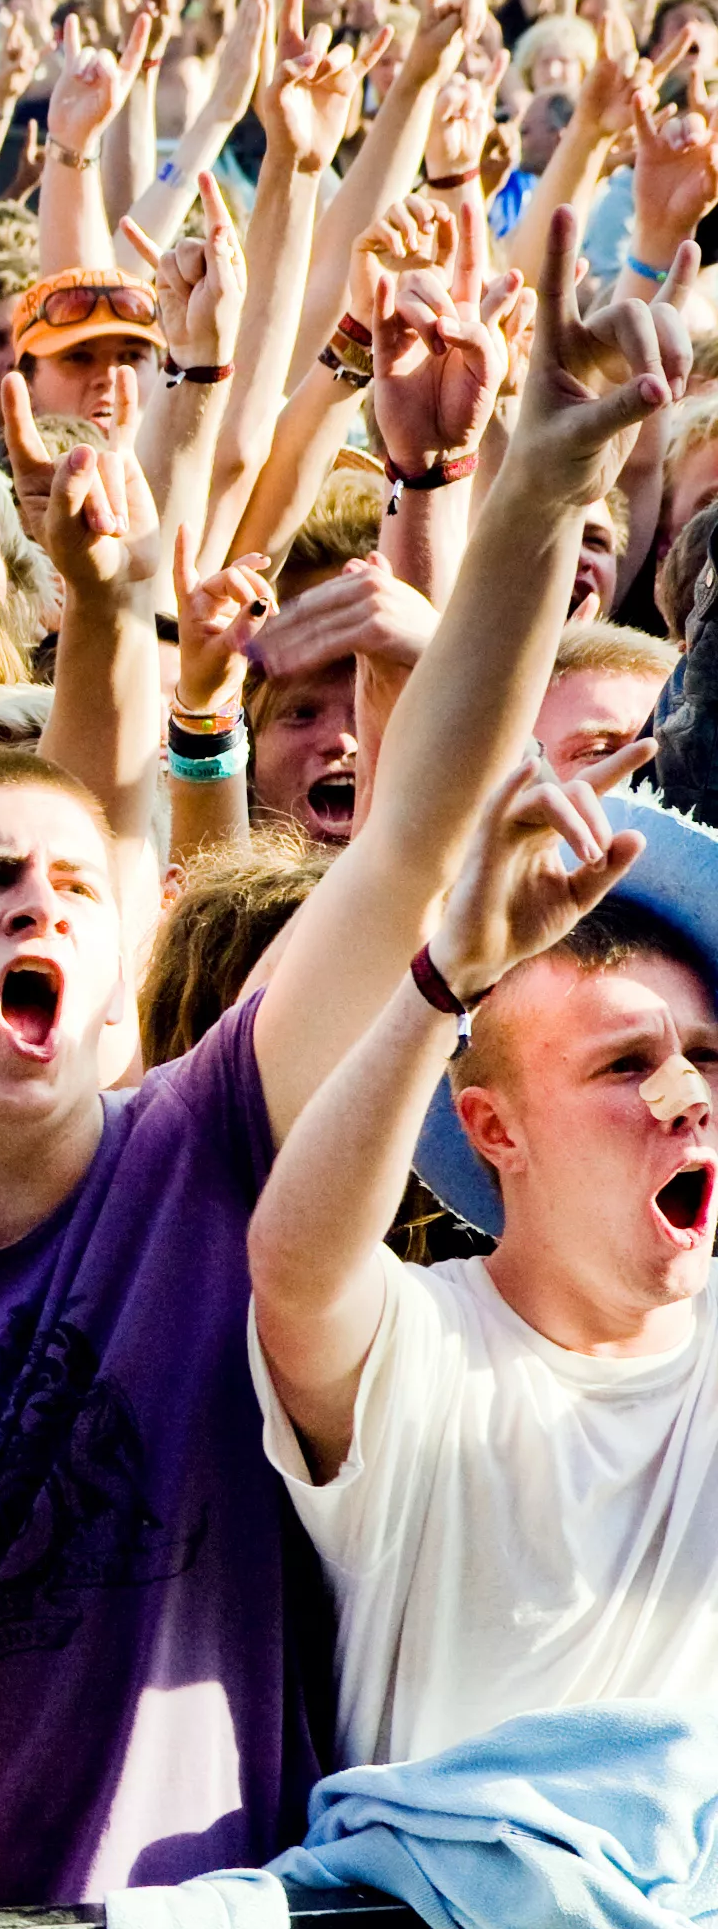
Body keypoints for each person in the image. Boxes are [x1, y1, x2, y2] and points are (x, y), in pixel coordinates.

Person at [0, 222, 682, 1929]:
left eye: (71, 886)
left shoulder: (204, 1140)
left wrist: (539, 482)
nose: (32, 913)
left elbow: (402, 845)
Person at [250, 753, 718, 1765]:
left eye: (707, 1055)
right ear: (492, 1127)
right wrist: (444, 975)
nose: (687, 1093)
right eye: (624, 1063)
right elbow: (296, 1267)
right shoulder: (426, 1346)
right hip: (416, 1924)